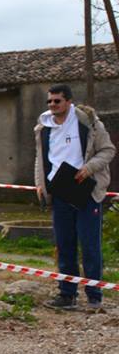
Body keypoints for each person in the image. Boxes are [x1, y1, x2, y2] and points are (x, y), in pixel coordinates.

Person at [34, 84, 116, 311]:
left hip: (86, 191)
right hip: (60, 191)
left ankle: (94, 296)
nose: (52, 105)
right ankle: (67, 294)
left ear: (68, 101)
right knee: (65, 245)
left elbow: (108, 150)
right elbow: (41, 158)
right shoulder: (44, 127)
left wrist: (89, 168)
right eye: (49, 101)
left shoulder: (88, 122)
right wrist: (40, 184)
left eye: (57, 101)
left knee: (90, 245)